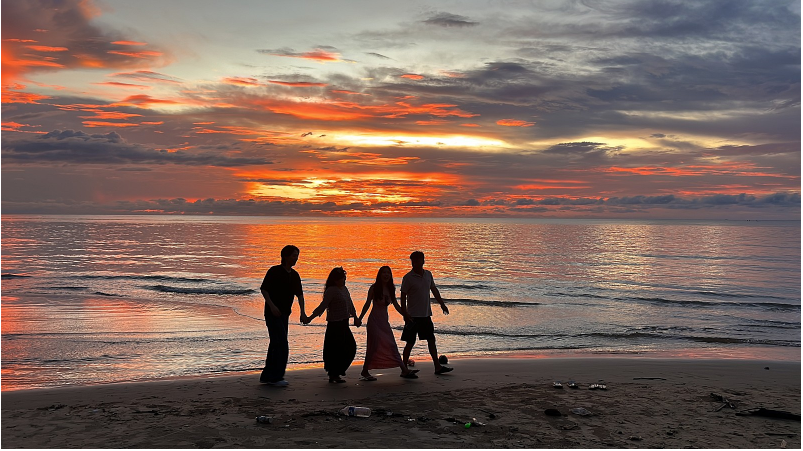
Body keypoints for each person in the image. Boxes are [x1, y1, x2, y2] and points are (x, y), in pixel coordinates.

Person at [355, 266, 419, 381]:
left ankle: (404, 370)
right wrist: (359, 318)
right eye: (384, 273)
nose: (386, 275)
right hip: (374, 322)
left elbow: (396, 305)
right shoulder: (374, 288)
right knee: (373, 347)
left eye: (388, 273)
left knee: (392, 345)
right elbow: (367, 304)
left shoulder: (391, 289)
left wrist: (405, 315)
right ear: (380, 275)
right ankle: (365, 371)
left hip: (384, 323)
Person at [260, 245, 307, 387]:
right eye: (293, 255)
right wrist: (272, 306)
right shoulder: (274, 271)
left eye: (297, 255)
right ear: (285, 256)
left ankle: (268, 376)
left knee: (276, 343)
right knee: (280, 343)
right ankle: (276, 377)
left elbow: (300, 295)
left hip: (285, 314)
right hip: (272, 313)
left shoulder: (294, 275)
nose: (296, 258)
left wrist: (303, 312)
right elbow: (264, 290)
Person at [400, 251, 453, 375]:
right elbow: (403, 296)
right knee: (410, 342)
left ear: (423, 261)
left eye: (417, 261)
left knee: (431, 340)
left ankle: (437, 367)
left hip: (425, 315)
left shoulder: (428, 275)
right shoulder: (408, 278)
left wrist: (442, 304)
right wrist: (404, 314)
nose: (415, 263)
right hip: (412, 316)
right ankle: (404, 370)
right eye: (413, 261)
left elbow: (434, 290)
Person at [304, 267, 358, 383]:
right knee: (335, 350)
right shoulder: (331, 290)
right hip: (335, 325)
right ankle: (333, 374)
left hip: (345, 323)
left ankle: (338, 371)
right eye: (341, 279)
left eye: (344, 278)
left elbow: (350, 303)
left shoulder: (344, 288)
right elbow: (323, 306)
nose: (343, 280)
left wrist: (356, 317)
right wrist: (310, 318)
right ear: (335, 280)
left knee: (350, 347)